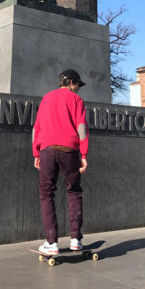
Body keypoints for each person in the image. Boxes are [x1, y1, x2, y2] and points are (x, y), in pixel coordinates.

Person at [32, 69, 89, 254]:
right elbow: (82, 128)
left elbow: (37, 127)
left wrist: (36, 153)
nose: (79, 89)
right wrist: (84, 155)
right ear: (71, 81)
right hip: (70, 150)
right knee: (74, 191)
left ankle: (51, 242)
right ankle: (75, 239)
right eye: (78, 85)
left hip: (47, 150)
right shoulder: (76, 100)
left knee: (46, 193)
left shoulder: (47, 98)